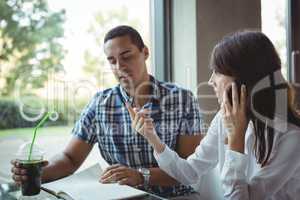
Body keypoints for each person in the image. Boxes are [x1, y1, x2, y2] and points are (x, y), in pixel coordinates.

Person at [11, 25, 204, 198]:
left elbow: (188, 169)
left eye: (126, 56)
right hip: (119, 196)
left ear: (145, 52)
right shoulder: (100, 104)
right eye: (112, 61)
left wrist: (139, 176)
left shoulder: (182, 99)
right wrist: (37, 173)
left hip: (175, 197)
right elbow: (70, 159)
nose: (119, 67)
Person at [129, 31, 300, 200]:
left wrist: (235, 141)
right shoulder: (223, 118)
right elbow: (189, 172)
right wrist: (152, 138)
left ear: (245, 78)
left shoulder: (291, 138)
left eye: (218, 71)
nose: (211, 81)